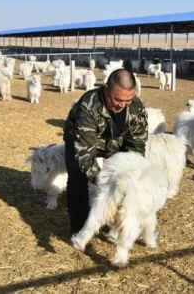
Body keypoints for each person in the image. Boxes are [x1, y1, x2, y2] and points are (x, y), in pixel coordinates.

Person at [63, 68, 148, 233]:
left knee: (129, 183)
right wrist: (108, 183)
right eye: (117, 99)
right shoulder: (88, 107)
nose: (122, 105)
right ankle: (80, 229)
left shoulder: (137, 107)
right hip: (81, 142)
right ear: (105, 89)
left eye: (128, 100)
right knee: (77, 181)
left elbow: (137, 145)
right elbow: (85, 157)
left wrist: (128, 177)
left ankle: (121, 223)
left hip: (116, 143)